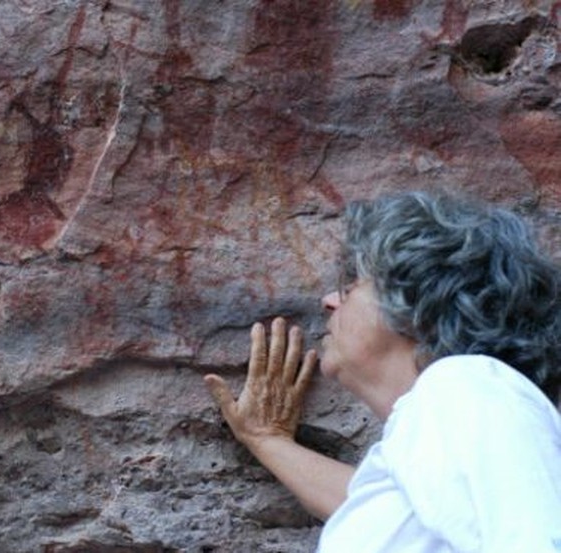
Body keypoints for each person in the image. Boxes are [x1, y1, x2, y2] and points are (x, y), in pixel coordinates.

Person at [204, 191, 561, 552]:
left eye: (353, 284)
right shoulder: (450, 415)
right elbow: (376, 511)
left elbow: (535, 541)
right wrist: (267, 440)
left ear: (417, 304)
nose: (329, 300)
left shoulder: (466, 386)